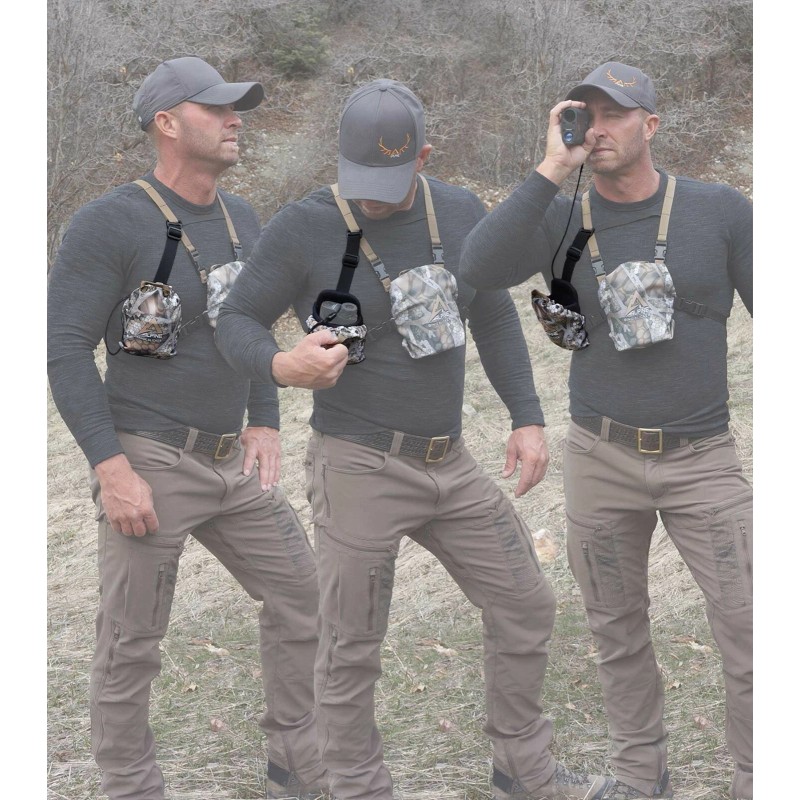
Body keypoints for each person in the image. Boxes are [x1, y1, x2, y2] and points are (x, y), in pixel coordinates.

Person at [215, 78, 616, 800]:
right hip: (358, 466)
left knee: (525, 602)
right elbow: (235, 320)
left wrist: (526, 417)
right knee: (351, 641)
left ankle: (523, 770)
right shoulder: (303, 226)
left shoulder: (458, 212)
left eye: (388, 181)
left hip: (448, 465)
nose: (371, 198)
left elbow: (491, 314)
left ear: (424, 158)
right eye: (359, 180)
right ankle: (356, 785)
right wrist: (281, 365)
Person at [458, 62, 753, 800]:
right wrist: (551, 170)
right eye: (585, 113)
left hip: (703, 458)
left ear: (651, 125)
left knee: (751, 627)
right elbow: (478, 266)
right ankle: (639, 779)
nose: (598, 127)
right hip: (600, 458)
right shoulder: (560, 216)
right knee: (617, 632)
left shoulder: (719, 210)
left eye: (615, 114)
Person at [47, 56, 328, 800]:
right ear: (167, 123)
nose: (236, 120)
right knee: (132, 637)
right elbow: (65, 350)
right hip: (150, 457)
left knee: (305, 595)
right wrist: (112, 469)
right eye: (217, 108)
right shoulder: (109, 222)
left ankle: (297, 760)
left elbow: (249, 324)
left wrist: (264, 420)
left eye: (237, 108)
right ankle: (130, 784)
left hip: (231, 461)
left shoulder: (243, 219)